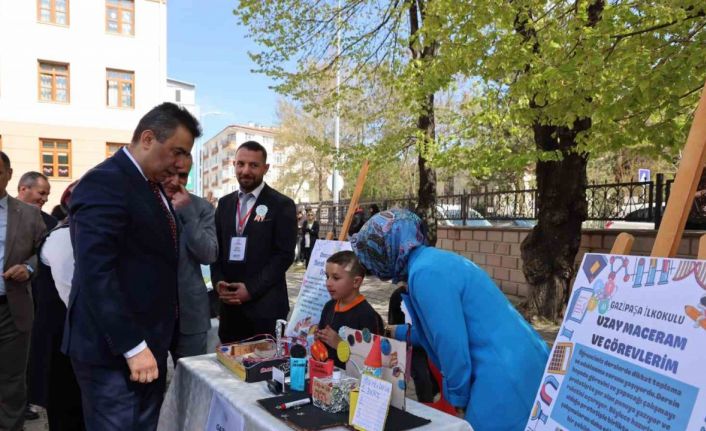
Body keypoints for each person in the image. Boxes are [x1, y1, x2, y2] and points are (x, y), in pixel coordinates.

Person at [62, 102, 200, 431]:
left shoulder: (151, 187)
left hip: (148, 346)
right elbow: (97, 273)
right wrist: (133, 346)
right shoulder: (104, 183)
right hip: (114, 353)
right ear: (148, 139)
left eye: (186, 155)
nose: (182, 164)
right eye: (177, 151)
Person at [351, 209, 549, 431]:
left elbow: (450, 342)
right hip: (517, 361)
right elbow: (434, 331)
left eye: (372, 254)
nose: (371, 265)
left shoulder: (425, 274)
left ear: (388, 248)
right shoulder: (429, 262)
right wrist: (392, 331)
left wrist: (457, 398)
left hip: (501, 374)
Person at [211, 141, 297, 343]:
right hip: (230, 311)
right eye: (241, 164)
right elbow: (217, 250)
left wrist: (250, 289)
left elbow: (284, 256)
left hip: (265, 310)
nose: (246, 171)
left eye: (253, 165)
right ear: (234, 165)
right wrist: (218, 282)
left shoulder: (282, 205)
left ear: (265, 168)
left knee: (265, 363)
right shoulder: (224, 204)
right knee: (228, 361)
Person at [29, 181, 84, 430]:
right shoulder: (64, 237)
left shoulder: (80, 234)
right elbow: (71, 295)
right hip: (61, 339)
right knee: (65, 406)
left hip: (72, 335)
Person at [0, 151, 47, 431]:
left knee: (12, 380)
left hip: (11, 308)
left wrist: (28, 267)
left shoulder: (28, 214)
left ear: (8, 174)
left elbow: (44, 251)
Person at [161, 156, 218, 364]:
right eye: (170, 173)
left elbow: (209, 254)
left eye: (183, 175)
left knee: (193, 376)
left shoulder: (202, 208)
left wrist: (188, 215)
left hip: (191, 314)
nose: (176, 181)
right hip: (153, 315)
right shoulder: (144, 202)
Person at [316, 250, 384, 369]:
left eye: (336, 278)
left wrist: (339, 344)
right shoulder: (329, 306)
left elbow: (370, 361)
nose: (328, 283)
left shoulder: (367, 315)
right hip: (326, 374)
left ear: (356, 282)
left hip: (352, 379)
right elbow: (322, 346)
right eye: (327, 276)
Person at [388, 283, 438, 403]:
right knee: (419, 376)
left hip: (427, 347)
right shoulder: (397, 296)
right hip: (408, 346)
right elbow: (394, 325)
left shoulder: (431, 296)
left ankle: (429, 399)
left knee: (424, 377)